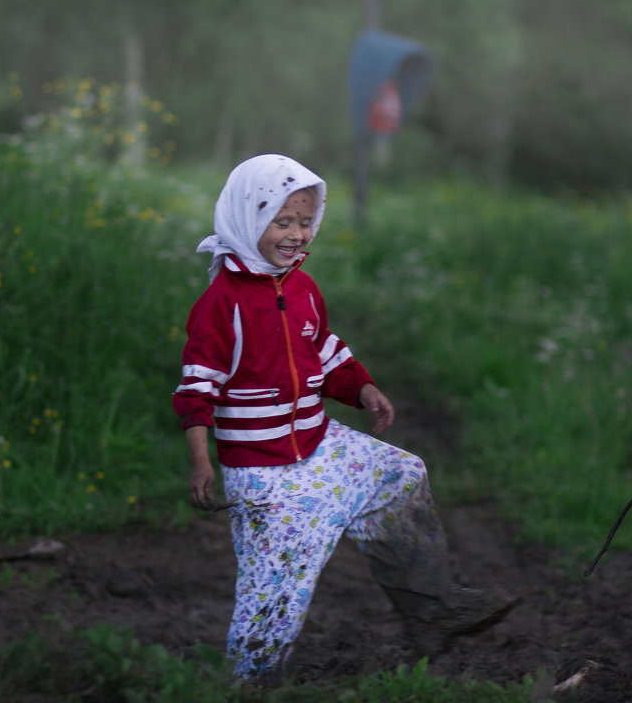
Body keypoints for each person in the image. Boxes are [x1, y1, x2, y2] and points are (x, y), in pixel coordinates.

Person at [173, 154, 516, 680]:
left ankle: (432, 610)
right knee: (276, 592)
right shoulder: (222, 305)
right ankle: (247, 684)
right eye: (282, 221)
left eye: (305, 221)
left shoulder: (303, 289)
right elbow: (198, 388)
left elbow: (324, 352)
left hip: (318, 443)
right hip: (263, 472)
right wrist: (201, 462)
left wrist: (362, 388)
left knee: (400, 475)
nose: (296, 234)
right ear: (247, 218)